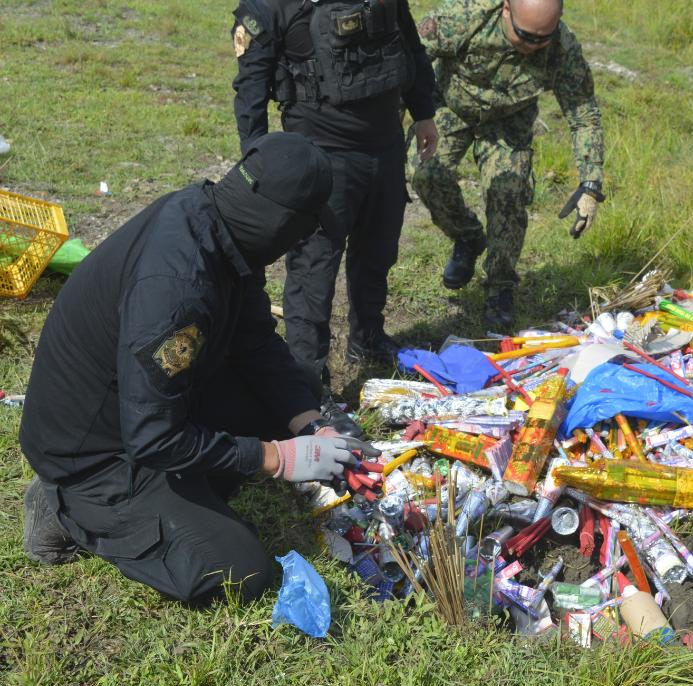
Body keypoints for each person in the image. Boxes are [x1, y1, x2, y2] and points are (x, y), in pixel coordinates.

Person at [20, 133, 375, 605]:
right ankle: (64, 508)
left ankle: (187, 489)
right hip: (95, 454)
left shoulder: (216, 224)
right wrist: (275, 457)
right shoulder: (177, 290)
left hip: (135, 410)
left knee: (293, 392)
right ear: (282, 223)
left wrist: (310, 424)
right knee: (240, 569)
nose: (304, 242)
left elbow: (255, 342)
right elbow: (152, 437)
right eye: (305, 229)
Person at [230, 0, 438, 379]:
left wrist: (424, 112)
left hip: (386, 146)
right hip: (321, 155)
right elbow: (251, 88)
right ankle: (307, 376)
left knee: (378, 252)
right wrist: (259, 164)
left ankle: (368, 338)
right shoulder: (272, 7)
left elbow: (407, 43)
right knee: (314, 269)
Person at [411, 0, 605, 329]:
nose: (533, 47)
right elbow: (410, 58)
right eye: (525, 36)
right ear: (505, 10)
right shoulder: (464, 16)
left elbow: (583, 113)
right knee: (426, 175)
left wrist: (591, 182)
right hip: (450, 106)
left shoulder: (562, 46)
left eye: (542, 38)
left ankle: (500, 286)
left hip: (508, 123)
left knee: (509, 194)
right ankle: (469, 237)